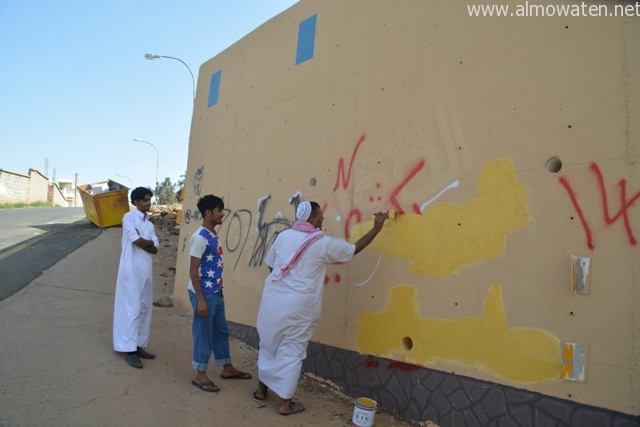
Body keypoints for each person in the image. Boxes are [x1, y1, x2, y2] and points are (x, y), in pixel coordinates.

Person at [253, 201, 388, 415]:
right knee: (293, 351)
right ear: (314, 220)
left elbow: (272, 265)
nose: (323, 220)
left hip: (273, 302)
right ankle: (285, 405)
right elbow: (353, 250)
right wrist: (376, 228)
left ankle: (261, 391)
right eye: (321, 217)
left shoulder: (283, 237)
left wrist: (286, 283)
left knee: (269, 344)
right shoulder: (321, 243)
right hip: (299, 307)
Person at [188, 194, 252, 393]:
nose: (222, 214)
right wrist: (200, 300)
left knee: (221, 331)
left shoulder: (212, 234)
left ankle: (227, 368)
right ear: (208, 213)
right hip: (204, 294)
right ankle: (200, 374)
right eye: (219, 210)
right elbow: (193, 270)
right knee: (203, 333)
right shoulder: (200, 237)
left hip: (215, 292)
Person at [113, 186, 159, 368]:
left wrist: (144, 241)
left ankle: (138, 345)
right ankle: (129, 349)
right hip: (130, 270)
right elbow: (135, 240)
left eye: (149, 200)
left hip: (145, 270)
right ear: (137, 202)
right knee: (131, 308)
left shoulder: (150, 224)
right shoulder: (129, 217)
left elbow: (155, 248)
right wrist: (145, 242)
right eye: (145, 200)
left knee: (144, 307)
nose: (148, 203)